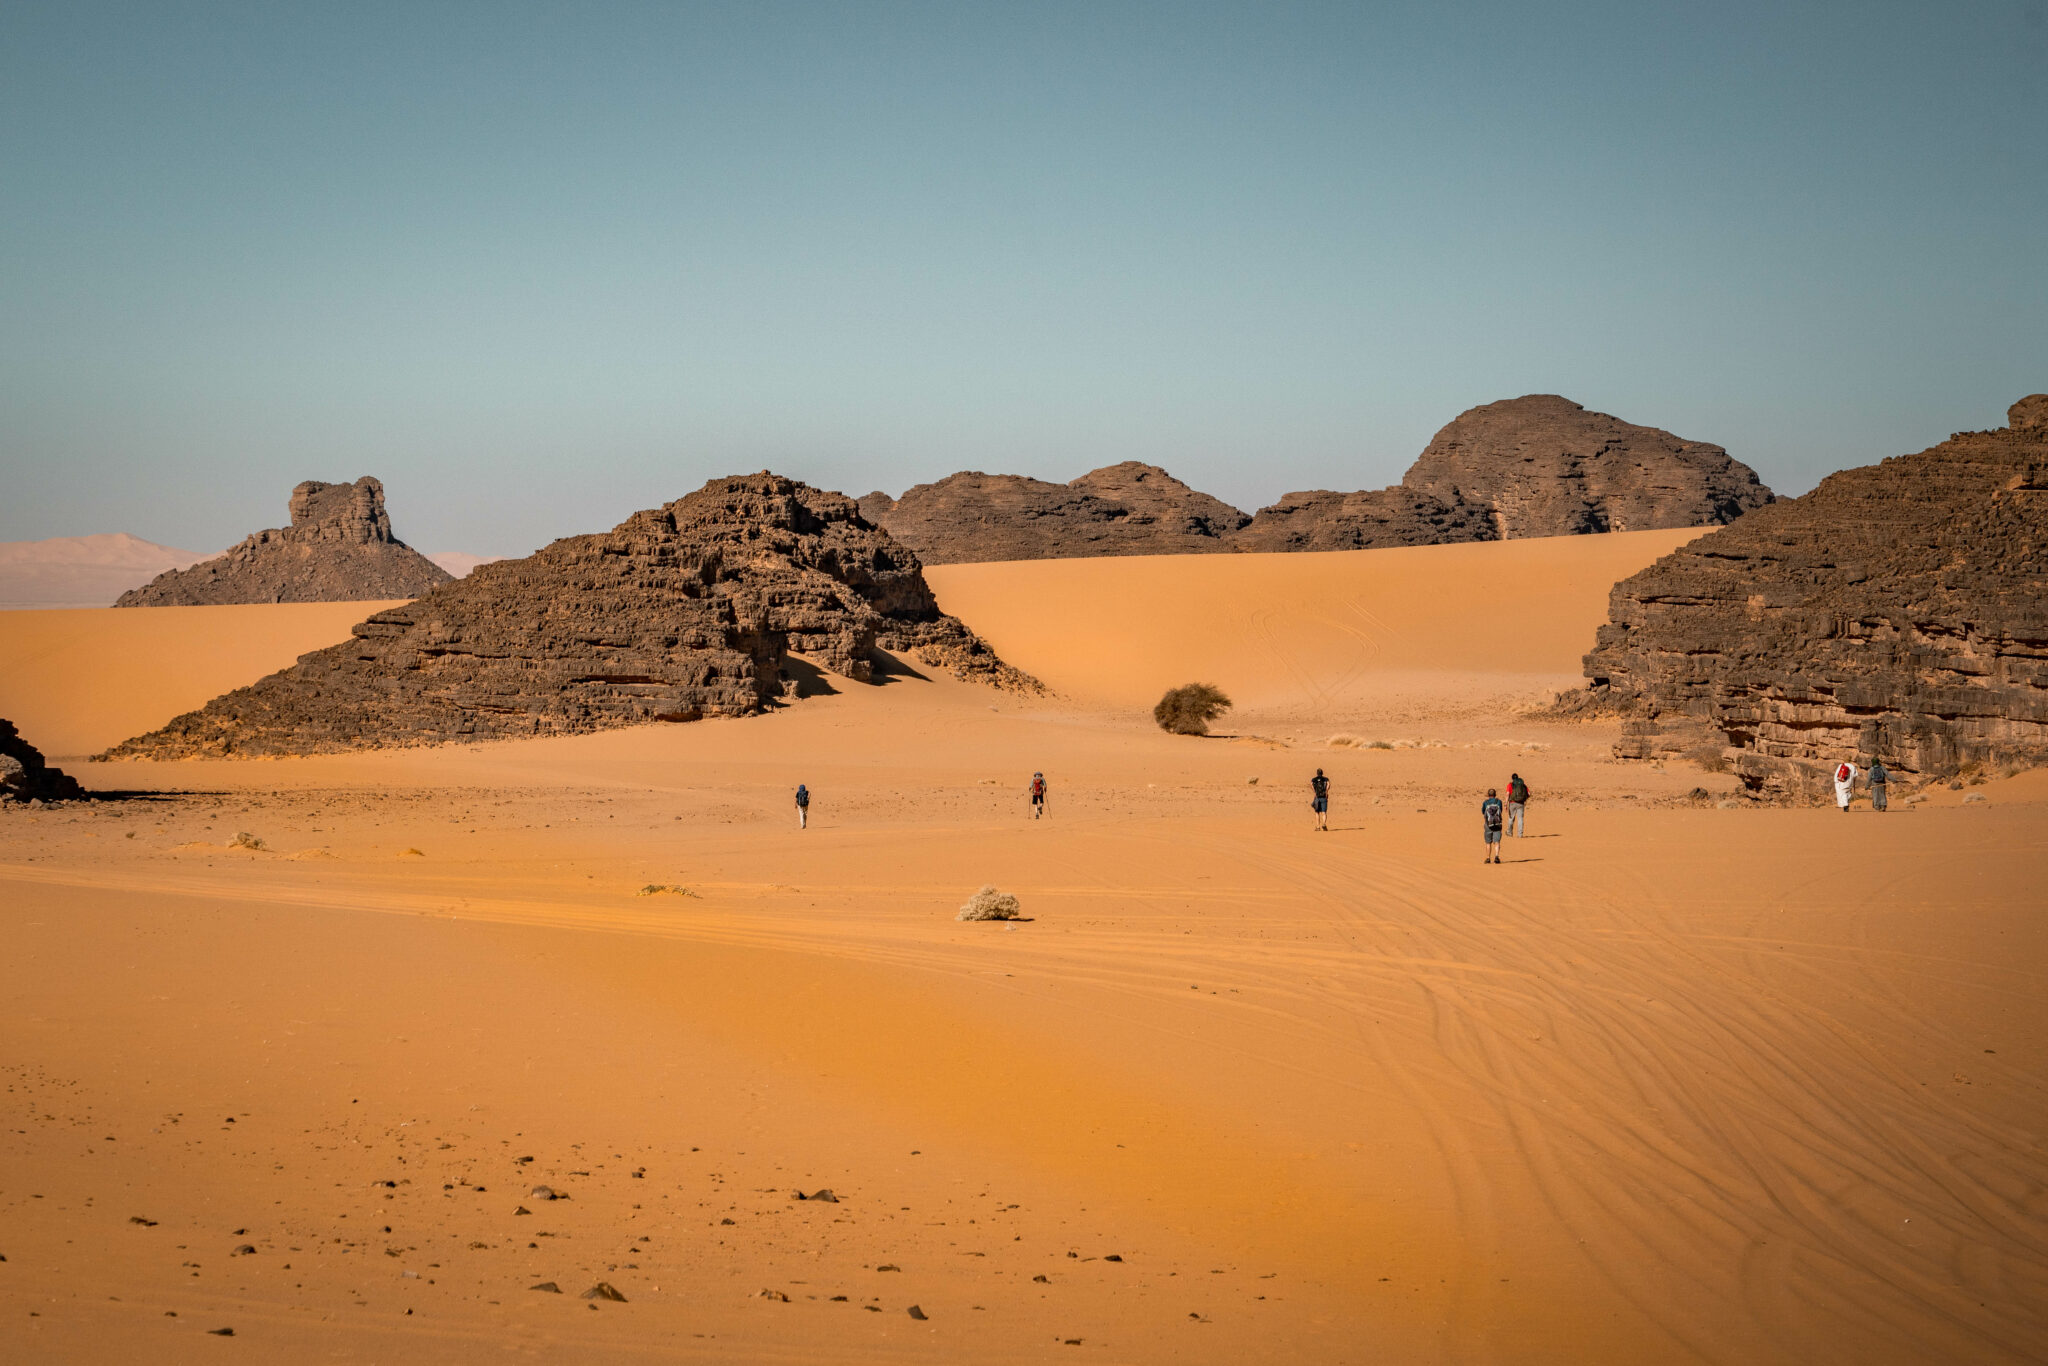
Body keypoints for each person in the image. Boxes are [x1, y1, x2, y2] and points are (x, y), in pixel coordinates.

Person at [1481, 788, 1504, 864]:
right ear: (1495, 794)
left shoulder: (1485, 802)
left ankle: (1488, 858)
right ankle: (1497, 856)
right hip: (1497, 824)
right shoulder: (1499, 802)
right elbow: (1501, 810)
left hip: (1488, 824)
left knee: (1488, 842)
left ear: (1488, 795)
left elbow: (1483, 812)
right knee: (1497, 841)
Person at [1506, 772, 1530, 837]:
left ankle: (1509, 832)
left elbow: (1508, 794)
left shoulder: (1510, 785)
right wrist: (1524, 799)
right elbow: (1529, 794)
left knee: (1511, 818)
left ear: (1512, 778)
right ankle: (1520, 834)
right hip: (1521, 803)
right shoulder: (1523, 785)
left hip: (1512, 803)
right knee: (1520, 819)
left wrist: (1506, 803)